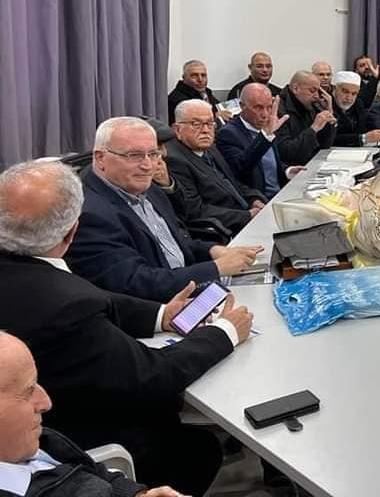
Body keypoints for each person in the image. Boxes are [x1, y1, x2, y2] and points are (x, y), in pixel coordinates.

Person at [0, 161, 254, 495]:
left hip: (41, 413)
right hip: (74, 436)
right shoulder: (67, 307)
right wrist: (225, 332)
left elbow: (93, 296)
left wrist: (161, 314)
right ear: (72, 232)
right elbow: (153, 375)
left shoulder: (33, 277)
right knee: (198, 449)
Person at [65, 117, 262, 302]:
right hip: (161, 308)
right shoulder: (89, 215)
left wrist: (213, 250)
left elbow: (176, 243)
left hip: (186, 286)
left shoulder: (147, 188)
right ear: (100, 158)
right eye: (134, 156)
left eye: (153, 154)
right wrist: (216, 268)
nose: (147, 165)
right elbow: (136, 283)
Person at [0, 332, 188, 497]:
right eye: (28, 391)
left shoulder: (28, 442)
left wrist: (134, 494)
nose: (46, 403)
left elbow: (88, 469)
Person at [165, 100, 266, 234]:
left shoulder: (210, 148)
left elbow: (232, 183)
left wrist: (254, 199)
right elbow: (196, 211)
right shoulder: (174, 160)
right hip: (225, 230)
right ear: (177, 129)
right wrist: (247, 216)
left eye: (209, 123)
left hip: (246, 215)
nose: (205, 130)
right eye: (196, 124)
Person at [216, 83, 306, 199]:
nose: (265, 114)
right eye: (258, 108)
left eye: (269, 107)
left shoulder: (266, 127)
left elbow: (268, 162)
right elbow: (241, 170)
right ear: (242, 106)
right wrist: (265, 137)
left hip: (281, 192)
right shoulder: (228, 133)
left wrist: (288, 171)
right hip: (259, 199)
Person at [275, 71, 337, 166]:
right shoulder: (279, 109)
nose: (317, 96)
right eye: (312, 91)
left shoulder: (309, 105)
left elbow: (325, 144)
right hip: (290, 169)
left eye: (318, 91)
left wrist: (329, 113)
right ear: (295, 89)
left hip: (312, 162)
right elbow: (286, 153)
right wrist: (314, 129)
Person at [167, 60, 230, 125]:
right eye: (194, 76)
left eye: (203, 75)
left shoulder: (206, 93)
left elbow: (220, 108)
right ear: (184, 78)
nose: (200, 79)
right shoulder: (177, 99)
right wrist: (214, 117)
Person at [331, 71, 380, 147]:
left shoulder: (358, 104)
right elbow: (331, 139)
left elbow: (364, 127)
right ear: (334, 89)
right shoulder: (326, 105)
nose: (349, 98)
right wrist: (363, 138)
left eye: (354, 93)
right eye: (345, 92)